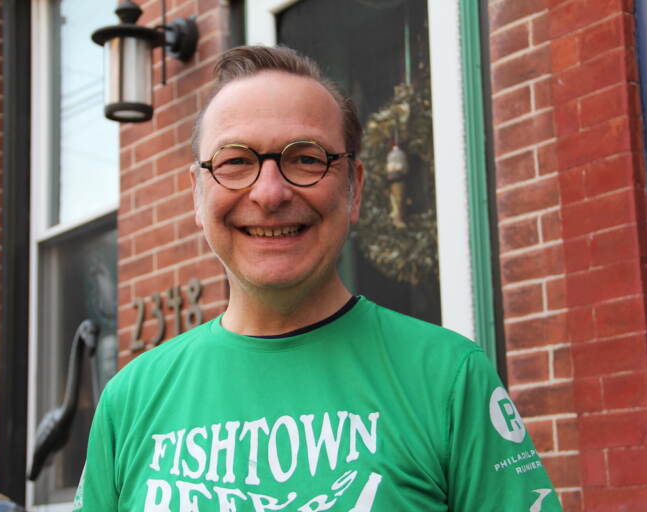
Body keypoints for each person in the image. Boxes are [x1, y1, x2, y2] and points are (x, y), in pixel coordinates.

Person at [74, 46, 562, 511]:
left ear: (354, 191)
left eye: (306, 158)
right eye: (235, 162)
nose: (269, 192)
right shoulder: (129, 400)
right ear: (198, 196)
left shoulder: (451, 378)